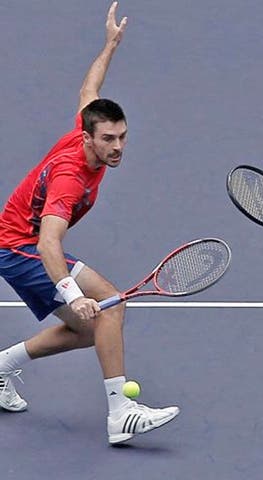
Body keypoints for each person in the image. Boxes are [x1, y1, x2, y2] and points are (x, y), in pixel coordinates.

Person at [0, 2, 179, 444]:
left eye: (122, 136)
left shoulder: (85, 129)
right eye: (108, 139)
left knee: (88, 331)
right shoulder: (69, 178)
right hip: (20, 246)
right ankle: (120, 412)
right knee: (110, 306)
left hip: (13, 243)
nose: (118, 147)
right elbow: (47, 244)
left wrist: (110, 46)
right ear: (87, 138)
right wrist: (72, 293)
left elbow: (89, 89)